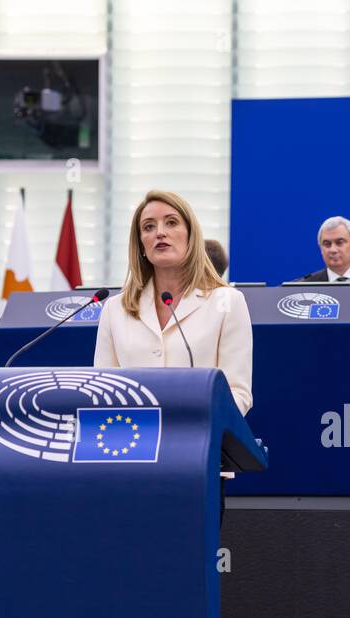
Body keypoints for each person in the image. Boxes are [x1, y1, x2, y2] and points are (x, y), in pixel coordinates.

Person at [94, 190, 253, 524]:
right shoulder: (114, 310)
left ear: (191, 235)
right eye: (148, 227)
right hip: (128, 467)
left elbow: (238, 394)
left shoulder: (227, 302)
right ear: (140, 244)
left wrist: (194, 427)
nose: (160, 233)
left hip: (196, 464)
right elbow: (101, 394)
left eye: (170, 223)